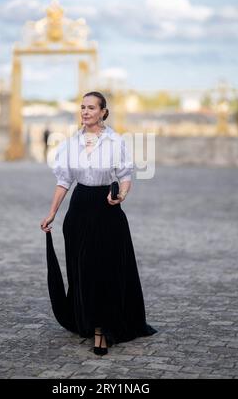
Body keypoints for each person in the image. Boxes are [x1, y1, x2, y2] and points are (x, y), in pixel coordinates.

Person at [40, 91, 157, 355]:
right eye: (82, 107)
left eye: (91, 107)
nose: (85, 112)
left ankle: (102, 329)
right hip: (79, 209)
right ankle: (88, 321)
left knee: (104, 270)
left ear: (103, 111)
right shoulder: (70, 144)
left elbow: (126, 175)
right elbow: (63, 182)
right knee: (82, 271)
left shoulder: (116, 141)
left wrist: (121, 195)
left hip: (107, 210)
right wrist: (52, 213)